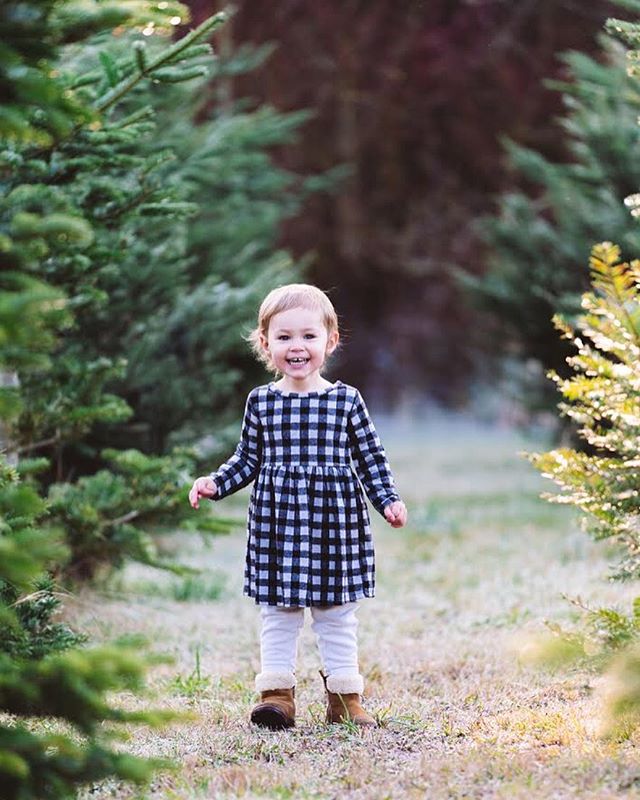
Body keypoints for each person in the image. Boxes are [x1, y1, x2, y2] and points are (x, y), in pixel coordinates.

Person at [188, 283, 407, 730]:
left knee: (336, 612)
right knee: (278, 610)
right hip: (278, 524)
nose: (297, 347)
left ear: (330, 341)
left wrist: (388, 499)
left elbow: (370, 458)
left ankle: (345, 698)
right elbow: (247, 459)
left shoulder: (345, 401)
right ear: (265, 344)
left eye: (308, 336)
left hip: (334, 523)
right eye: (284, 337)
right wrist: (215, 482)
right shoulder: (262, 402)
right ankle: (276, 696)